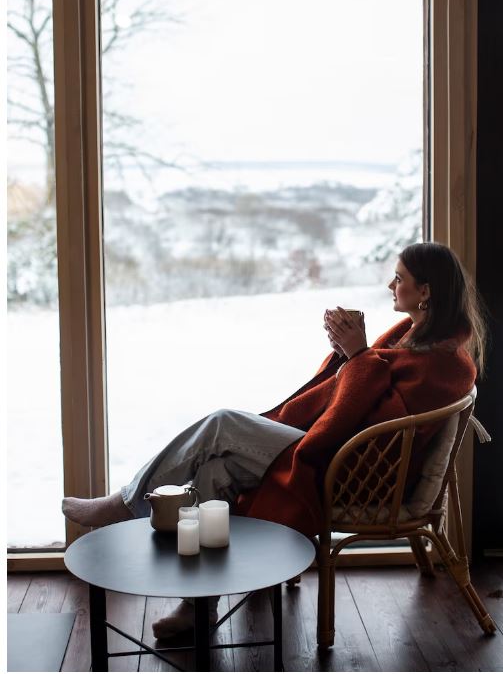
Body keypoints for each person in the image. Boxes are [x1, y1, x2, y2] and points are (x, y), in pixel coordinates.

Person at [62, 241, 485, 638]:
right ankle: (199, 605)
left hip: (351, 468)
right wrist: (345, 352)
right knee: (215, 468)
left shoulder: (444, 364)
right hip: (338, 448)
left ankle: (127, 503)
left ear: (424, 291)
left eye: (399, 278)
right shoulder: (413, 337)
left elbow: (371, 417)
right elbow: (355, 391)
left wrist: (358, 356)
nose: (390, 285)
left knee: (222, 423)